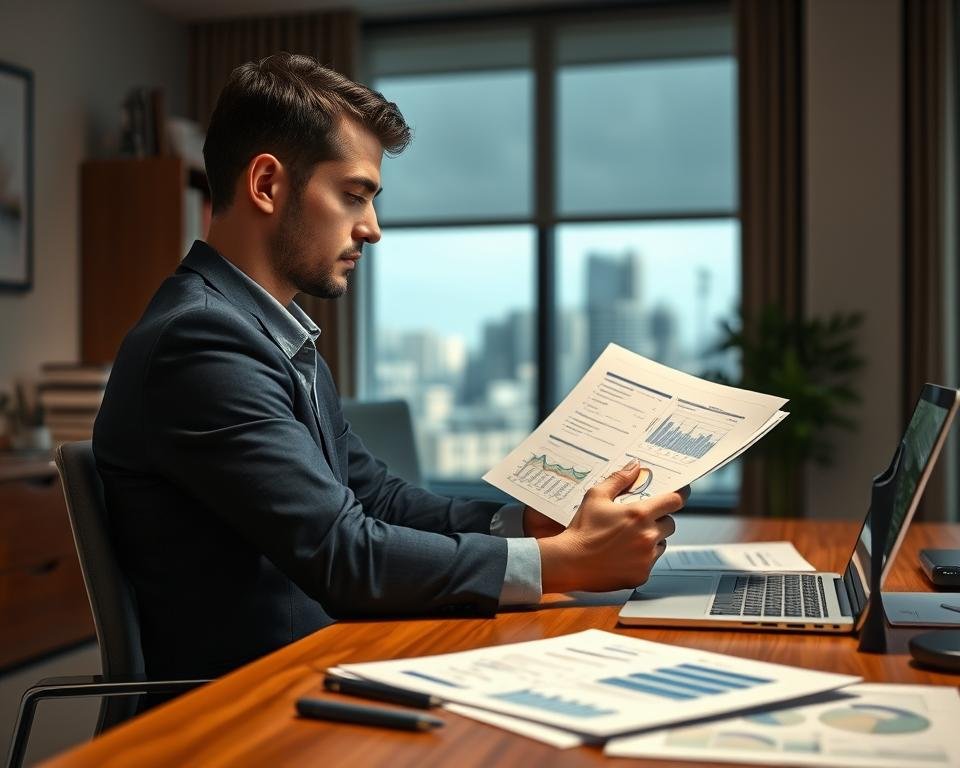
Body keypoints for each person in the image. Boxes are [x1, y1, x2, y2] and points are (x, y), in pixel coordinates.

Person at [94, 53, 687, 681]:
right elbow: (343, 556)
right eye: (354, 196)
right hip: (248, 703)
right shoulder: (202, 341)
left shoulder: (274, 335)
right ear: (267, 185)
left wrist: (526, 523)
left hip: (325, 662)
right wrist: (562, 563)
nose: (372, 229)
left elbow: (374, 498)